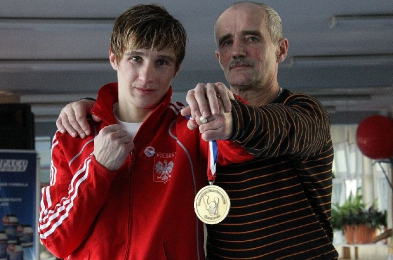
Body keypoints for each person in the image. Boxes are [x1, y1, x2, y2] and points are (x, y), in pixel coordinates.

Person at [57, 2, 339, 259]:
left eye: (252, 38)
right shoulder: (205, 128)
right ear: (219, 57)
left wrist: (235, 124)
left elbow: (286, 128)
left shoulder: (305, 111)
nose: (238, 50)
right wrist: (98, 111)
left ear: (281, 49)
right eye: (228, 42)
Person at [38, 4, 252, 259]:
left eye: (161, 62)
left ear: (176, 68)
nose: (146, 75)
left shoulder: (190, 128)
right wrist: (99, 168)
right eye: (136, 58)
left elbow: (242, 150)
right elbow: (55, 240)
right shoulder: (74, 134)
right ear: (114, 58)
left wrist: (231, 111)